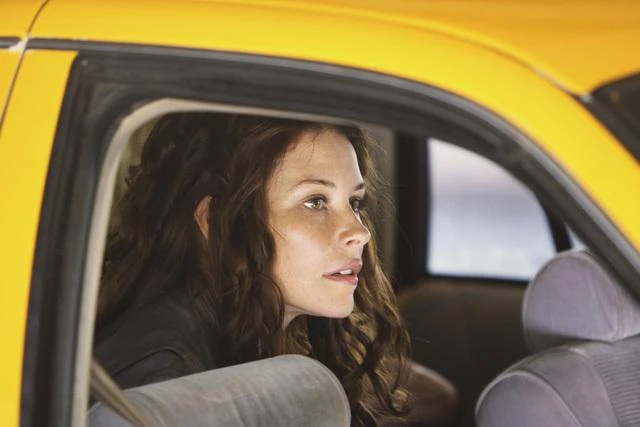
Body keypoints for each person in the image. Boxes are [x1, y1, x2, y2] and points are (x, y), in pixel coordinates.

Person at [95, 113, 454, 426]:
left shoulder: (247, 330)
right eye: (315, 202)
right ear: (220, 222)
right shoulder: (162, 380)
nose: (360, 232)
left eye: (355, 202)